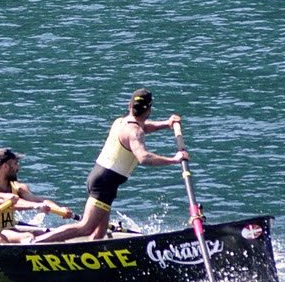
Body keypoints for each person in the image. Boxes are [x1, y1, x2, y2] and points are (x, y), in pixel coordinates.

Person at [35, 88, 187, 243]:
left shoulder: (121, 122)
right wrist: (174, 159)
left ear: (130, 105)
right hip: (105, 183)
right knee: (86, 226)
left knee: (99, 233)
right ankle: (36, 244)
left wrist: (166, 124)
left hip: (100, 177)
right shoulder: (135, 132)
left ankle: (89, 259)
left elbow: (143, 127)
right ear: (149, 109)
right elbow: (143, 157)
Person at [0, 147, 73, 242]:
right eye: (15, 164)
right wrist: (34, 206)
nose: (18, 167)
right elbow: (11, 203)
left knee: (52, 235)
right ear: (5, 166)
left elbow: (40, 201)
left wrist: (60, 209)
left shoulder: (16, 187)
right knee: (28, 237)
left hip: (10, 230)